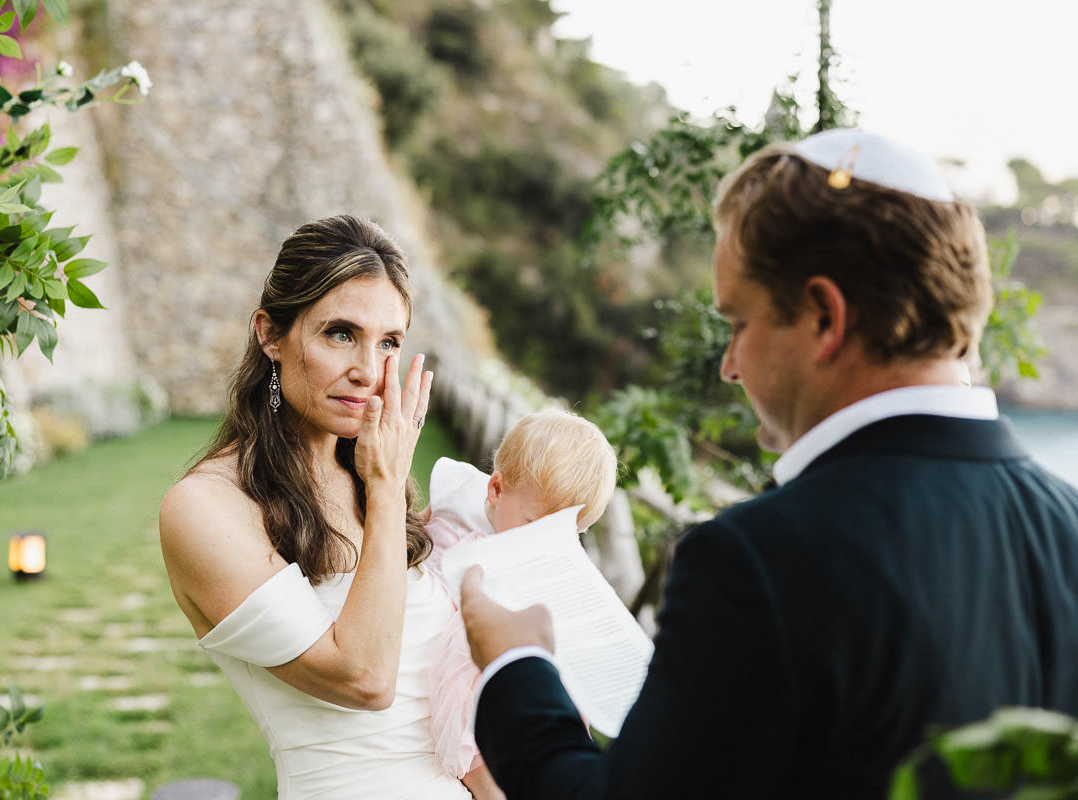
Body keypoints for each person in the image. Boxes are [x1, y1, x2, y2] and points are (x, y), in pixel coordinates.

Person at [459, 129, 1078, 799]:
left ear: (823, 316)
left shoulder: (760, 559)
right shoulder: (1067, 524)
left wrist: (516, 664)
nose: (729, 365)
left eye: (738, 323)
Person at [159, 215, 475, 799]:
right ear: (270, 334)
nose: (367, 372)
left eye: (389, 343)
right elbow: (364, 678)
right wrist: (385, 492)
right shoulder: (207, 507)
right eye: (339, 334)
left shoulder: (369, 481)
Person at [422, 409, 619, 799]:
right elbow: (417, 527)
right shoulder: (461, 491)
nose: (546, 543)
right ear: (495, 489)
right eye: (535, 525)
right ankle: (482, 779)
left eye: (569, 534)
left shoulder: (543, 557)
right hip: (467, 628)